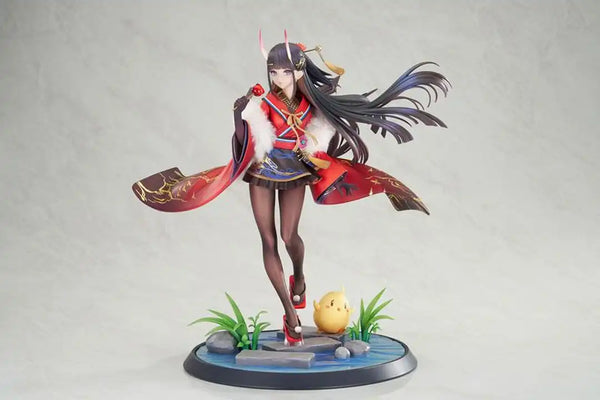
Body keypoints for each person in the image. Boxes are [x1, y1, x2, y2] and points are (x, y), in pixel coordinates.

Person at [132, 32, 450, 346]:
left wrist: (311, 148)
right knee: (268, 240)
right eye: (273, 71)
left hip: (295, 170)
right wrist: (239, 116)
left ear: (298, 71)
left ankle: (299, 273)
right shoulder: (264, 103)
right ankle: (289, 312)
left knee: (288, 236)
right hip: (262, 169)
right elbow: (245, 140)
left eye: (284, 71)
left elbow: (321, 135)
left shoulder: (312, 104)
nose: (278, 77)